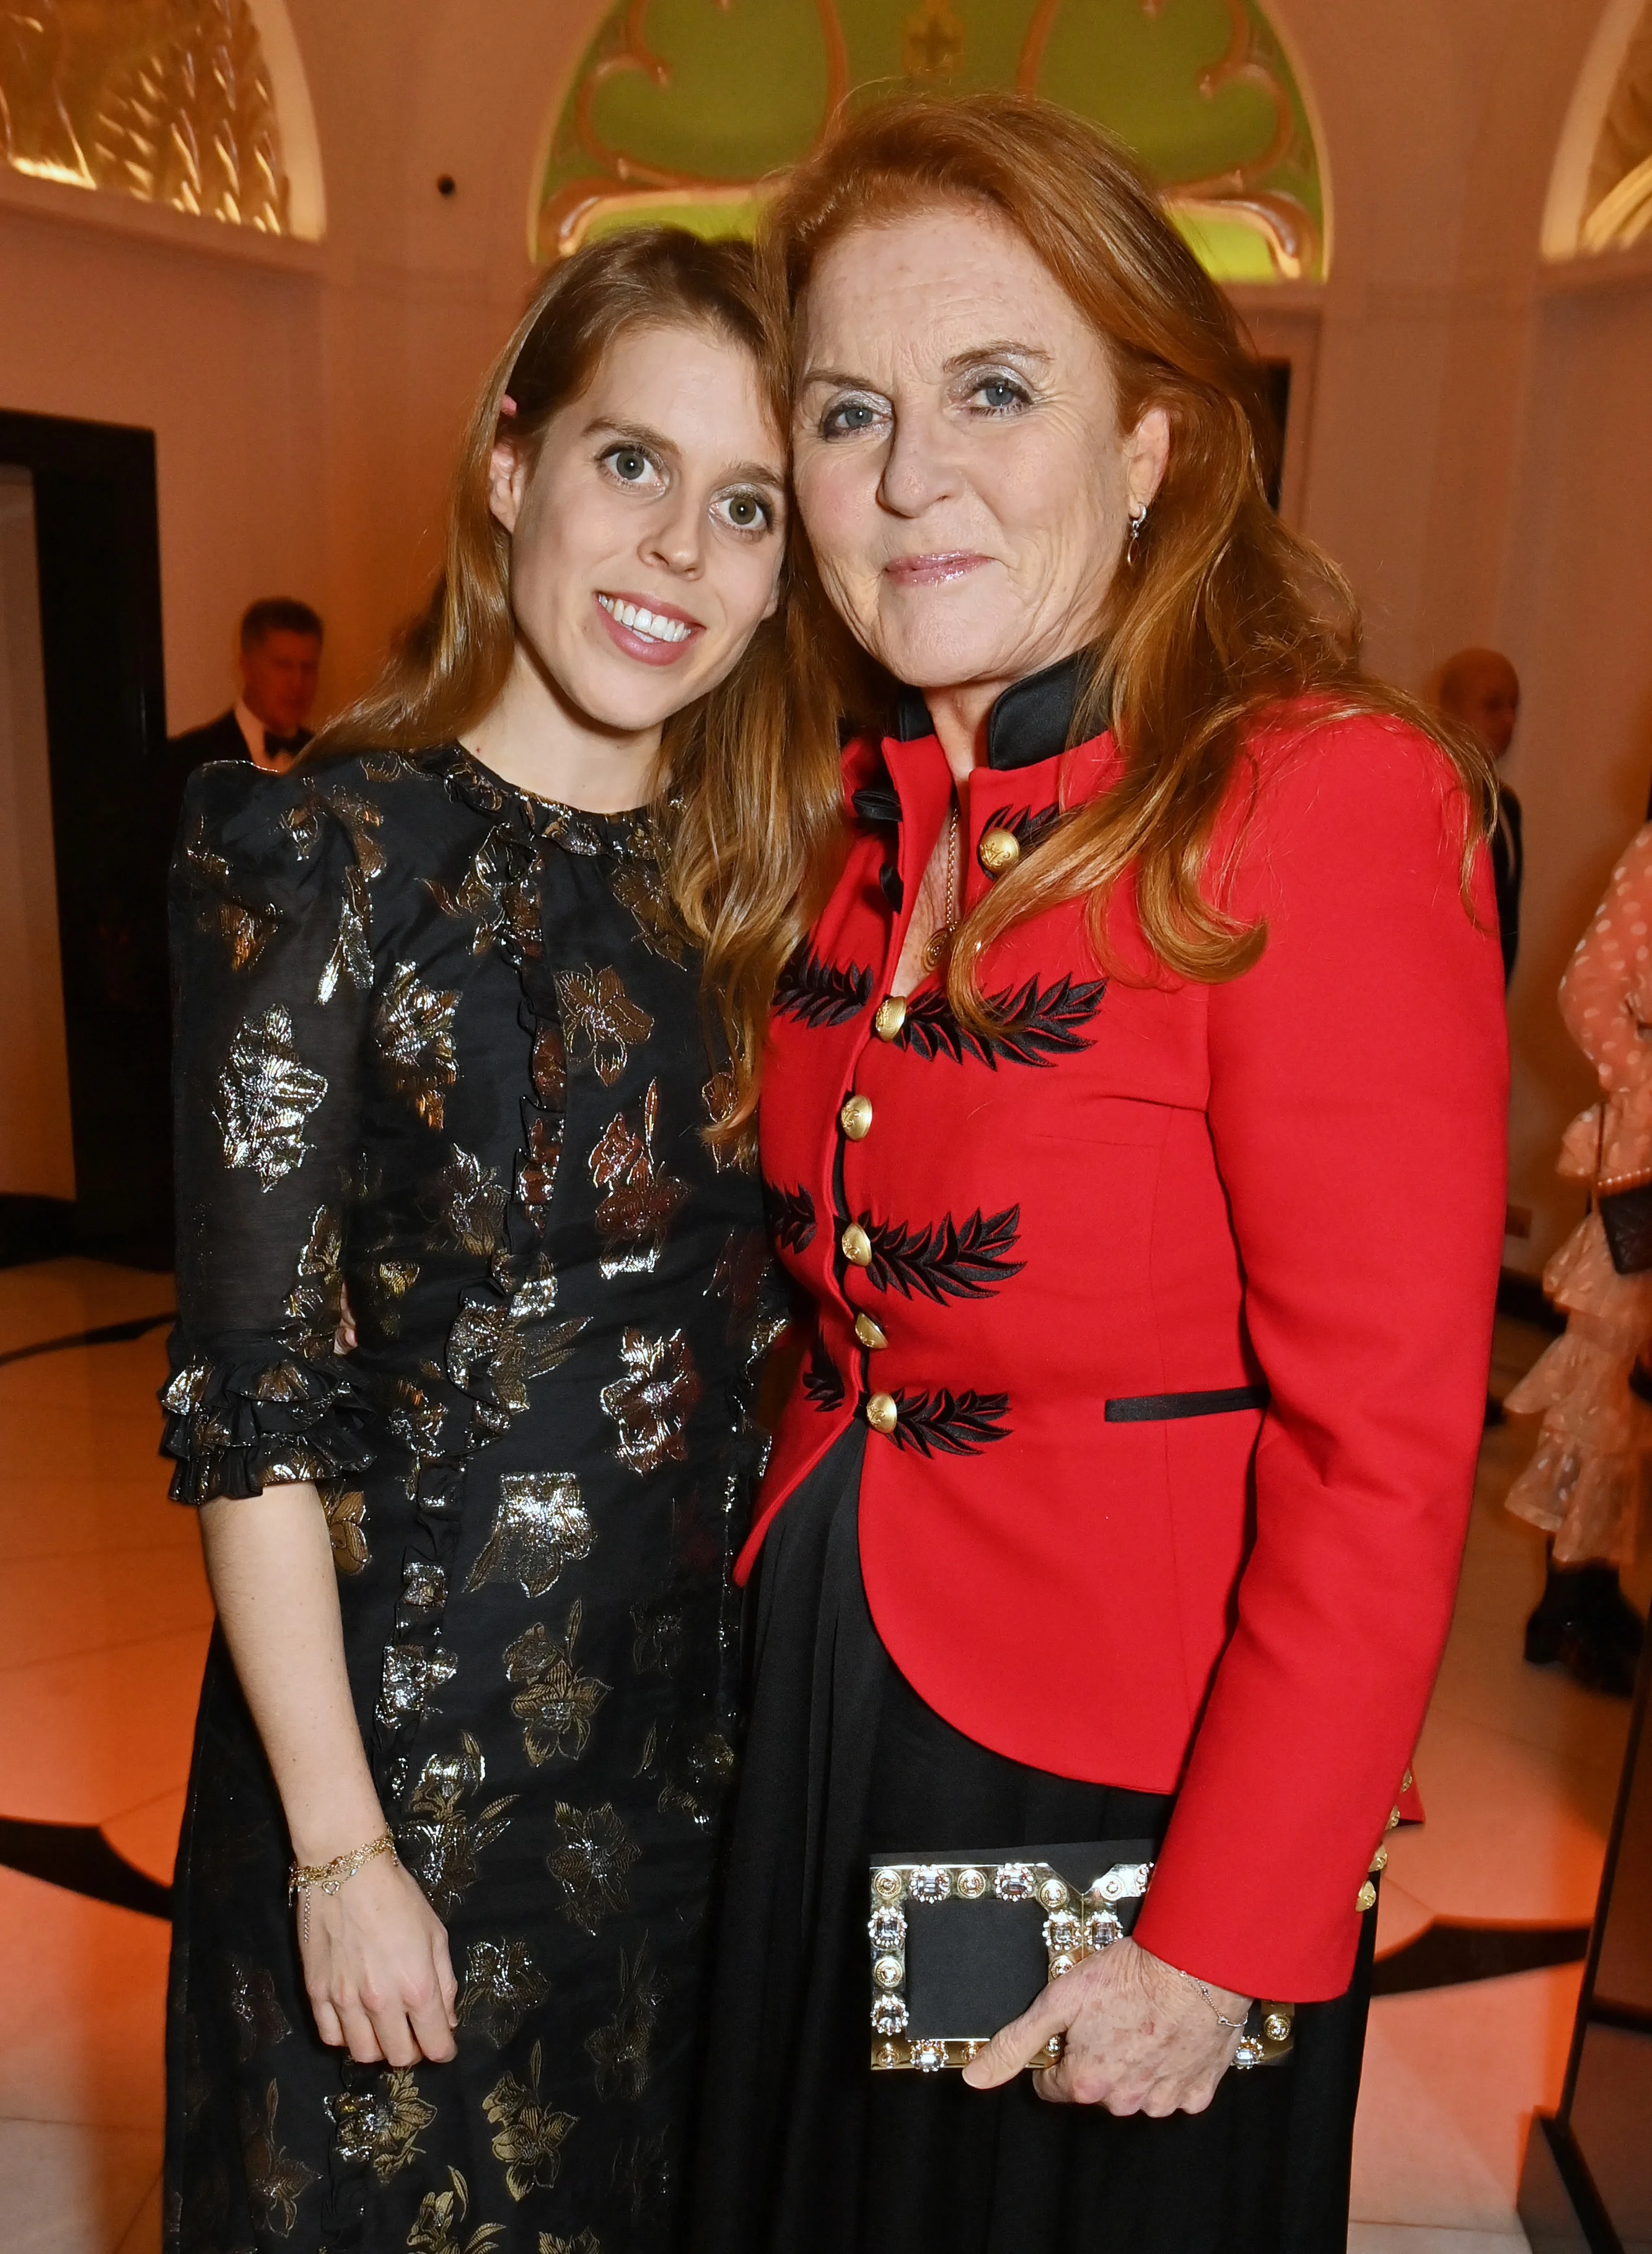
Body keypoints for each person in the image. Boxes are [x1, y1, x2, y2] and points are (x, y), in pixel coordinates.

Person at [688, 94, 1507, 2254]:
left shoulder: (1314, 800)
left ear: (1151, 444)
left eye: (991, 389)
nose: (905, 473)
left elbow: (1387, 1439)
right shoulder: (858, 816)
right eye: (848, 407)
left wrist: (1225, 1922)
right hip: (842, 1679)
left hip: (1126, 1767)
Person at [159, 229, 819, 2253]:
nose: (678, 550)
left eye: (744, 505)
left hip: (682, 1787)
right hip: (401, 1778)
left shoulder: (764, 896)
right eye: (633, 464)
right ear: (513, 466)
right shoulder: (327, 860)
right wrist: (341, 1848)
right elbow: (252, 1407)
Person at [1504, 829, 1652, 1697]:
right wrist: (1642, 1082)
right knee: (1608, 1379)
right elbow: (1586, 988)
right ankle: (1571, 1598)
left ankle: (1594, 1582)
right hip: (1645, 1159)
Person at [1437, 647, 1522, 984]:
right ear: (1449, 711)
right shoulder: (1429, 796)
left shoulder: (1507, 807)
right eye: (1493, 705)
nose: (1509, 721)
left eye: (1514, 707)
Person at [167, 594, 325, 774]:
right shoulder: (187, 760)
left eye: (308, 668)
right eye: (283, 666)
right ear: (247, 669)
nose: (298, 683)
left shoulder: (327, 760)